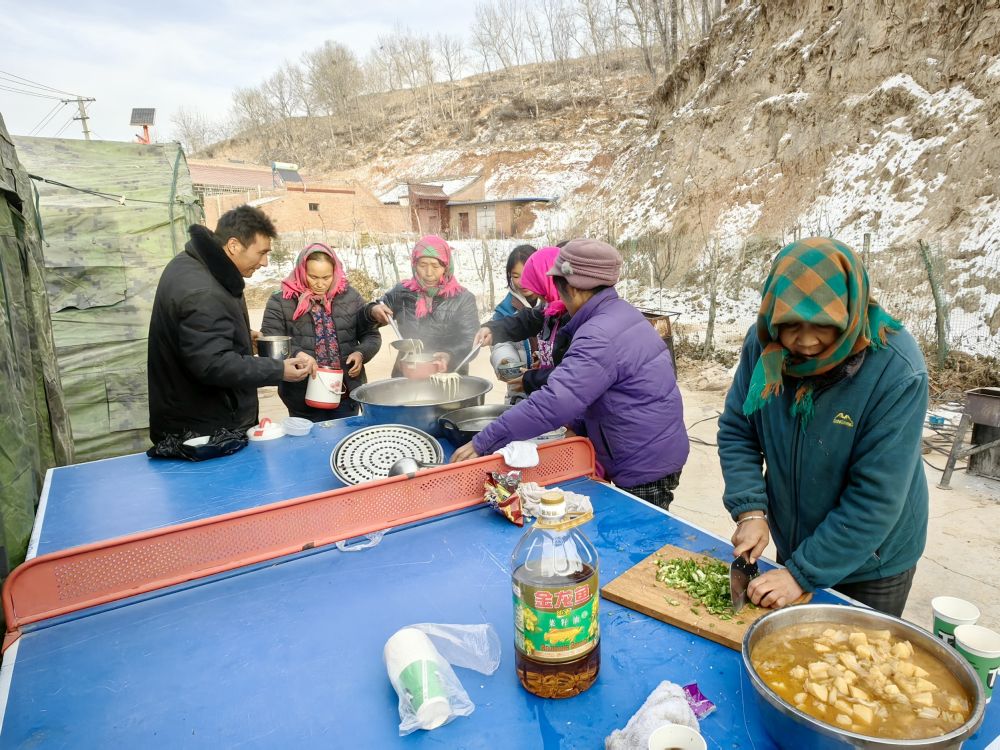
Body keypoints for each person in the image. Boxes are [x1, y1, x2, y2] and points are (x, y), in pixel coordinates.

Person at [718, 237, 929, 616]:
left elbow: (876, 497)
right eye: (790, 324)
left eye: (823, 325)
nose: (806, 341)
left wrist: (800, 574)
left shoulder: (896, 370)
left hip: (873, 561)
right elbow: (739, 430)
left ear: (848, 313)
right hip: (799, 540)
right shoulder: (764, 347)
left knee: (856, 665)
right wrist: (751, 511)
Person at [452, 239, 689, 509]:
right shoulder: (618, 313)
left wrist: (484, 440)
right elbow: (595, 389)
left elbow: (555, 401)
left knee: (642, 541)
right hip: (647, 446)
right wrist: (577, 426)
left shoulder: (599, 334)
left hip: (644, 460)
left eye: (558, 290)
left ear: (573, 289)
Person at [147, 205, 314, 444]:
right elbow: (213, 364)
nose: (265, 262)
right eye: (261, 253)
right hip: (203, 434)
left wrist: (244, 337)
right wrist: (278, 370)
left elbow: (197, 332)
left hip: (196, 420)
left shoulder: (199, 265)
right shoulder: (203, 290)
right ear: (234, 246)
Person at [261, 243, 381, 421]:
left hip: (345, 392)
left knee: (343, 441)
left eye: (326, 277)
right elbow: (270, 341)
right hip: (301, 394)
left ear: (335, 272)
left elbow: (371, 334)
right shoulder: (281, 300)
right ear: (301, 271)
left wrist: (361, 353)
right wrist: (297, 354)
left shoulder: (350, 296)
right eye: (313, 276)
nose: (320, 284)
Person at [366, 235, 479, 373]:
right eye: (423, 265)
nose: (428, 273)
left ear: (446, 266)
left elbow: (472, 342)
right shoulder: (402, 292)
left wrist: (450, 355)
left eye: (435, 266)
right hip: (408, 372)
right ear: (414, 265)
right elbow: (373, 312)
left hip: (449, 377)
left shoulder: (462, 299)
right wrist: (372, 310)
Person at [475, 245, 572, 398]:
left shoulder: (574, 315)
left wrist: (532, 378)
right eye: (516, 276)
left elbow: (573, 373)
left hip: (563, 401)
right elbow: (527, 320)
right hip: (546, 396)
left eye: (533, 280)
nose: (524, 283)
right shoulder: (552, 307)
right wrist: (492, 330)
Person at [489, 244, 539, 404]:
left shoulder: (552, 303)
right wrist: (505, 361)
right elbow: (500, 344)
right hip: (520, 392)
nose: (522, 282)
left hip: (550, 387)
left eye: (528, 274)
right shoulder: (505, 309)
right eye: (516, 276)